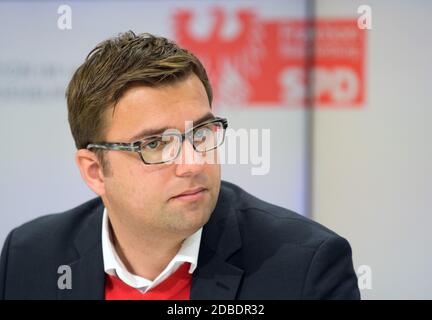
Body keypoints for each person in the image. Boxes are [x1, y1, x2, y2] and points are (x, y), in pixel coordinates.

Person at [0, 31, 360, 300]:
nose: (193, 163)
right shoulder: (30, 256)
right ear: (95, 171)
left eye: (201, 132)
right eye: (155, 144)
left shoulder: (305, 268)